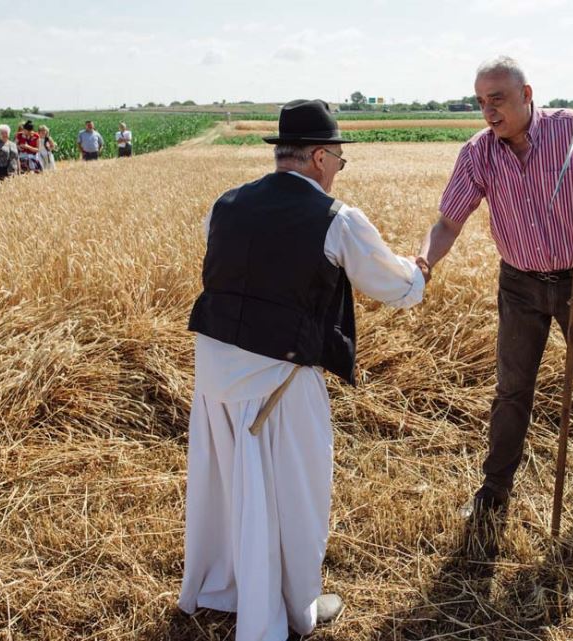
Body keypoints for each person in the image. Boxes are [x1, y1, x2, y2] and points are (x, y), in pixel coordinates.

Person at [179, 99, 430, 641]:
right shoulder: (337, 219)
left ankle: (225, 586)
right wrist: (422, 269)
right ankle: (296, 606)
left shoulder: (225, 204)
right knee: (297, 493)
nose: (339, 169)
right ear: (319, 156)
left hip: (215, 373)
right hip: (281, 380)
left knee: (225, 487)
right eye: (339, 158)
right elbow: (397, 288)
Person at [420, 56, 573, 524]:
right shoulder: (478, 152)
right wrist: (425, 261)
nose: (488, 111)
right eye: (481, 102)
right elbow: (448, 221)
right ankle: (494, 490)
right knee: (511, 390)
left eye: (497, 99)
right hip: (520, 285)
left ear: (526, 95)